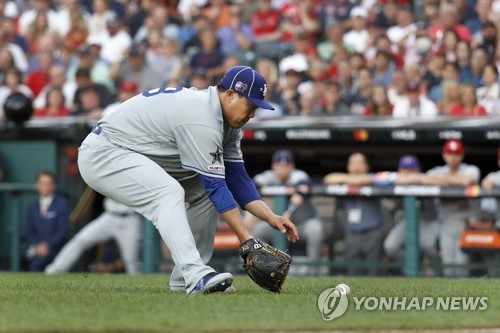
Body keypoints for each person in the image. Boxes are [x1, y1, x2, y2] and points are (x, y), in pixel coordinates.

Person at [76, 66, 299, 294]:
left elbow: (237, 177)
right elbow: (217, 186)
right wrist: (245, 238)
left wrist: (269, 216)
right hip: (105, 152)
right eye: (251, 106)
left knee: (202, 192)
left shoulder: (227, 125)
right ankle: (196, 275)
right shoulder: (202, 117)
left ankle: (184, 278)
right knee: (169, 192)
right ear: (231, 95)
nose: (252, 114)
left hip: (135, 153)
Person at [246, 150, 323, 275]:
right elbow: (250, 188)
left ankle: (313, 272)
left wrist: (289, 210)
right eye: (279, 165)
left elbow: (303, 188)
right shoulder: (268, 176)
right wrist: (250, 216)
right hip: (278, 223)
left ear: (292, 166)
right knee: (257, 232)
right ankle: (261, 270)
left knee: (316, 231)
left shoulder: (298, 175)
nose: (282, 169)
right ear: (273, 166)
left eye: (286, 165)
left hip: (302, 223)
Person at [421, 140, 480, 277]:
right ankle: (451, 297)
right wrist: (455, 182)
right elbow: (426, 180)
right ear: (444, 155)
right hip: (446, 223)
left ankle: (466, 297)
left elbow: (466, 181)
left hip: (465, 223)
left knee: (461, 269)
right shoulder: (438, 170)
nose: (453, 158)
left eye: (456, 154)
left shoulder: (471, 169)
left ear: (462, 155)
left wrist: (442, 182)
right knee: (448, 269)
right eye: (449, 154)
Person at [323, 153, 385, 276]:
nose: (356, 167)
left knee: (373, 272)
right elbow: (328, 179)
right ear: (348, 166)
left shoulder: (373, 178)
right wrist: (350, 180)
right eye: (353, 163)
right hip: (352, 232)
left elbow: (368, 179)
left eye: (359, 163)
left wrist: (353, 180)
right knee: (353, 273)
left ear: (367, 166)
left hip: (372, 232)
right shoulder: (344, 181)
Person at [45, 197, 142, 274]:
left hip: (130, 219)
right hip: (109, 216)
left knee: (131, 261)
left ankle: (139, 288)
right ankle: (54, 270)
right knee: (80, 240)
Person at [381, 155, 440, 263]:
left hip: (429, 220)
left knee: (427, 246)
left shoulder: (426, 178)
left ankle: (437, 270)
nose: (408, 173)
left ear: (417, 170)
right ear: (399, 170)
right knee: (390, 246)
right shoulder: (394, 180)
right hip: (408, 221)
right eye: (405, 169)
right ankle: (415, 263)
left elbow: (434, 181)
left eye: (411, 170)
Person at [24, 171, 70, 272]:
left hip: (57, 251)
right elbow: (29, 231)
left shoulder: (62, 204)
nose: (45, 186)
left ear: (53, 185)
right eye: (42, 183)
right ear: (37, 185)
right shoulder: (32, 207)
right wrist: (38, 247)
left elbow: (63, 230)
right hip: (38, 252)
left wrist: (48, 246)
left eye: (48, 183)